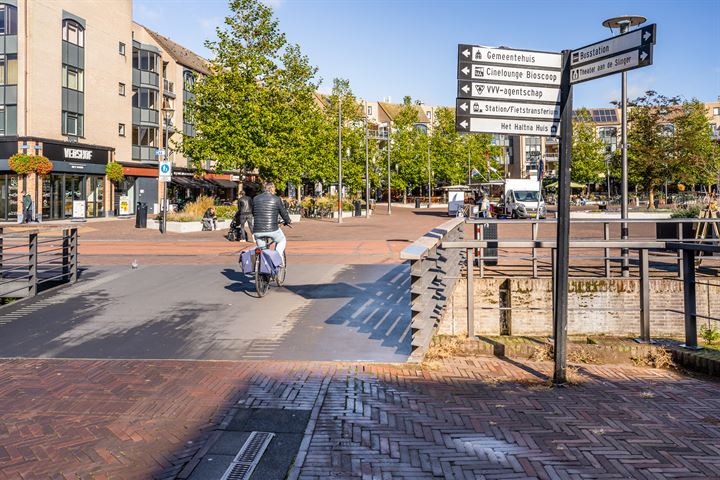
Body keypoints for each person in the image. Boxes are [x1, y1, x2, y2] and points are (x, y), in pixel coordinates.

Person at [252, 182, 291, 262]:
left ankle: (262, 269)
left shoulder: (255, 198)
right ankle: (278, 258)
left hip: (257, 230)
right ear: (272, 189)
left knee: (263, 250)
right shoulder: (276, 199)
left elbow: (253, 212)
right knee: (282, 240)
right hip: (272, 229)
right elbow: (283, 212)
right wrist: (287, 221)